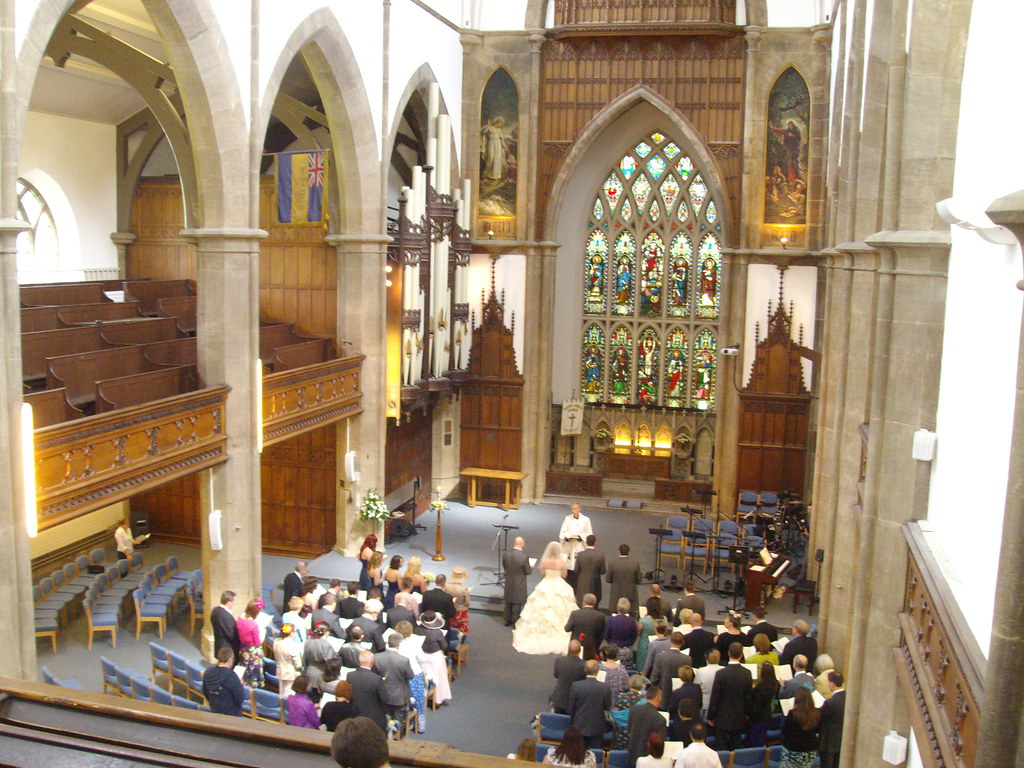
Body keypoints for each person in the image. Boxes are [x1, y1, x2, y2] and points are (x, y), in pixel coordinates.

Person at [513, 541, 577, 655]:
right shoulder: (561, 561)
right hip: (558, 585)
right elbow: (564, 575)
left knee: (538, 609)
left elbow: (542, 572)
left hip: (546, 584)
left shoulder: (544, 561)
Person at [707, 642, 752, 750]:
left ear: (728, 653)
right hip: (738, 716)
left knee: (720, 747)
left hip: (722, 717)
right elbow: (748, 697)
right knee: (736, 747)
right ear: (741, 655)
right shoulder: (747, 673)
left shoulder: (721, 674)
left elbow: (715, 698)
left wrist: (710, 716)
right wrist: (747, 714)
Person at [567, 659, 612, 751]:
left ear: (585, 670)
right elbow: (607, 707)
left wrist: (572, 724)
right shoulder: (605, 688)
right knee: (595, 755)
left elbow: (571, 707)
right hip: (597, 727)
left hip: (579, 726)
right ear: (598, 670)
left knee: (578, 754)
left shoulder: (576, 686)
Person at [392, 620, 427, 733]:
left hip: (400, 675)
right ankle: (420, 726)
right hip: (414, 675)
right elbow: (422, 658)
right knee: (418, 699)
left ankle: (405, 723)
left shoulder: (395, 644)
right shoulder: (415, 643)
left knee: (404, 700)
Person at [374, 633, 415, 727]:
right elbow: (411, 676)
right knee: (399, 721)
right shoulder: (403, 660)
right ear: (399, 644)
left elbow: (375, 675)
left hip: (383, 695)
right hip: (399, 697)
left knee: (384, 720)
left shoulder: (377, 657)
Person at [347, 650, 389, 734]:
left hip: (355, 716)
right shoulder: (377, 679)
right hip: (374, 719)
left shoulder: (350, 676)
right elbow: (385, 699)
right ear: (372, 662)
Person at [416, 611, 452, 706]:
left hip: (422, 657)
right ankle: (437, 700)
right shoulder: (437, 632)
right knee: (440, 677)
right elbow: (444, 646)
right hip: (435, 658)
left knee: (426, 678)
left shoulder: (417, 629)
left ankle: (426, 697)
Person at [627, 686, 666, 767]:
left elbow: (629, 732)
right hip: (649, 762)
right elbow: (659, 745)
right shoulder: (660, 720)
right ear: (658, 698)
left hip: (632, 756)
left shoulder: (634, 709)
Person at [650, 632, 692, 710]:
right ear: (682, 642)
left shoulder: (661, 656)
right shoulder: (687, 659)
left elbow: (654, 678)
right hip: (679, 697)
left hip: (662, 696)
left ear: (670, 640)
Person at [781, 687, 820, 767]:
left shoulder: (793, 714)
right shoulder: (816, 713)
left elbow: (785, 731)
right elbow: (817, 729)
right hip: (810, 749)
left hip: (793, 749)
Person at [202, 647, 247, 717]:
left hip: (214, 711)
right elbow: (240, 698)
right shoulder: (231, 676)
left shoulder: (208, 672)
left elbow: (204, 692)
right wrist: (239, 684)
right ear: (229, 659)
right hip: (231, 715)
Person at [745, 662, 779, 747]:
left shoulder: (760, 688)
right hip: (766, 715)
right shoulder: (774, 685)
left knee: (755, 740)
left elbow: (756, 707)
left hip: (757, 719)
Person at [502, 536, 534, 626]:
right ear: (522, 545)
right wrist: (531, 567)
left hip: (508, 580)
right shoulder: (524, 557)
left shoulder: (506, 554)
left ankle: (507, 620)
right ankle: (515, 620)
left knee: (508, 601)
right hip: (519, 582)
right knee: (517, 602)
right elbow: (527, 571)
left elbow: (505, 566)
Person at [559, 503, 593, 584]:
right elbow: (563, 532)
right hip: (569, 545)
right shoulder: (567, 518)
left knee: (578, 565)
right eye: (572, 509)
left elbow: (589, 534)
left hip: (579, 545)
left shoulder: (586, 520)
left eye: (575, 509)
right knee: (569, 565)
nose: (573, 511)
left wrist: (580, 536)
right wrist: (568, 536)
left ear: (579, 509)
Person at [551, 638, 587, 714]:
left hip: (560, 699)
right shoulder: (584, 664)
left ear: (568, 649)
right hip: (576, 700)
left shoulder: (559, 660)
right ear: (580, 651)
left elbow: (556, 675)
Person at [818, 671, 846, 768]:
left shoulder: (830, 703)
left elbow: (820, 719)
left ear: (832, 684)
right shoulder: (849, 698)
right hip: (842, 741)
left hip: (828, 743)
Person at [236, 598, 265, 687]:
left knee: (244, 668)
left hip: (244, 648)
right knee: (253, 672)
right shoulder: (253, 625)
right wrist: (263, 632)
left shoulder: (240, 618)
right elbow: (257, 642)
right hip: (253, 651)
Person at [606, 544, 642, 615]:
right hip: (630, 594)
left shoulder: (613, 563)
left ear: (619, 552)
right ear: (628, 552)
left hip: (616, 595)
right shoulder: (635, 564)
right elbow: (639, 580)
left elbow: (608, 579)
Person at [611, 673, 644, 748]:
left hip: (621, 731)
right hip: (637, 732)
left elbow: (615, 715)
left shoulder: (621, 697)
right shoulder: (643, 700)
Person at [304, 622, 338, 689]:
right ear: (327, 632)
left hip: (308, 673)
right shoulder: (326, 645)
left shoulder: (307, 642)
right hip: (321, 676)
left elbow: (305, 659)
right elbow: (330, 663)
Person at [574, 534, 605, 606]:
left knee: (581, 605)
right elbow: (603, 571)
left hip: (582, 584)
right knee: (594, 605)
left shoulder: (580, 554)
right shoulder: (600, 555)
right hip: (595, 584)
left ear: (586, 542)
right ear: (595, 543)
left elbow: (576, 570)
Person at [273, 622, 303, 696]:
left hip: (280, 670)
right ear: (292, 633)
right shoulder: (293, 646)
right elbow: (298, 665)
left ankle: (282, 706)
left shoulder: (276, 642)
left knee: (281, 693)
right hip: (290, 673)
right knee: (288, 694)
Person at [210, 590, 240, 660]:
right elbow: (232, 635)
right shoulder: (226, 616)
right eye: (233, 602)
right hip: (227, 649)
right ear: (229, 603)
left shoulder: (215, 610)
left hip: (219, 645)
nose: (233, 604)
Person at [634, 598, 661, 674]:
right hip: (658, 646)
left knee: (642, 669)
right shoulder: (663, 619)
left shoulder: (643, 620)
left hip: (644, 646)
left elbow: (638, 632)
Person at [693, 648, 722, 715]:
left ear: (707, 659)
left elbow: (696, 687)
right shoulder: (723, 670)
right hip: (720, 704)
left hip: (705, 704)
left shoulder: (701, 671)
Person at [445, 566, 472, 634]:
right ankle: (462, 642)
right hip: (461, 611)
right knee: (462, 630)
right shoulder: (464, 589)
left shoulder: (446, 586)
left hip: (449, 610)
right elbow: (467, 603)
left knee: (450, 626)